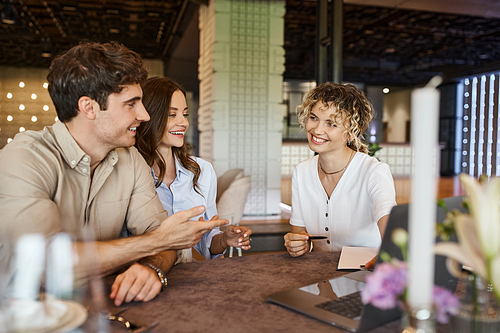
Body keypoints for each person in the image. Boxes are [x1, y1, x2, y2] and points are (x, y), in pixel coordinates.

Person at [0, 42, 228, 306]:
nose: (143, 115)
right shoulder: (24, 158)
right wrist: (154, 242)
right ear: (89, 108)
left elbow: (166, 242)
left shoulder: (130, 160)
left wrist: (152, 267)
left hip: (106, 304)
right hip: (23, 311)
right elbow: (44, 263)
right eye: (131, 104)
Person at [135, 76, 252, 262]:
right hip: (145, 276)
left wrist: (223, 239)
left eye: (185, 114)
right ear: (150, 116)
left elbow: (207, 239)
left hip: (192, 278)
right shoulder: (131, 175)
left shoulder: (202, 170)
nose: (184, 122)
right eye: (172, 114)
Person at [284, 82, 396, 257]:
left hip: (364, 277)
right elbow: (299, 235)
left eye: (331, 123)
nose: (317, 129)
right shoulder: (302, 172)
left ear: (352, 132)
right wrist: (298, 244)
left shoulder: (374, 171)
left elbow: (388, 221)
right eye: (313, 118)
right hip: (319, 277)